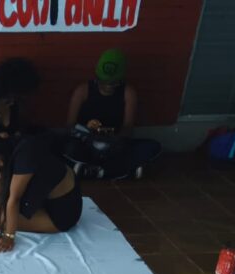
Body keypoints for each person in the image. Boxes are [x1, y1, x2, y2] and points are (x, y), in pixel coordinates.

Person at [0, 135, 81, 252]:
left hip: (62, 213)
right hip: (46, 198)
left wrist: (9, 236)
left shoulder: (25, 159)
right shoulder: (8, 148)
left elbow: (14, 199)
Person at [62, 48, 161, 180]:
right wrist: (88, 136)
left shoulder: (128, 93)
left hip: (114, 144)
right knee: (64, 146)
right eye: (104, 82)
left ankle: (91, 171)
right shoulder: (82, 90)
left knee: (152, 146)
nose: (108, 86)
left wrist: (114, 139)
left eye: (113, 83)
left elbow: (128, 127)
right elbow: (69, 125)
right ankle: (119, 171)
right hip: (86, 143)